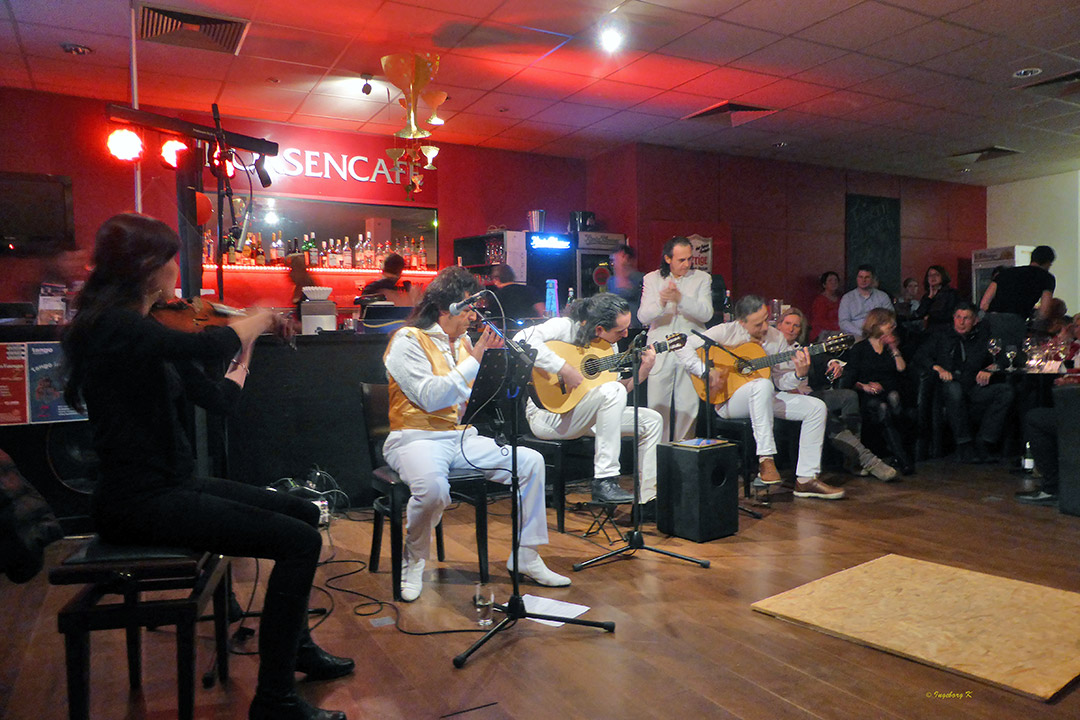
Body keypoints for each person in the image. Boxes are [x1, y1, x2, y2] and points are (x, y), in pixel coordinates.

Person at [61, 214, 351, 720]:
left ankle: (297, 651)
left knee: (303, 516)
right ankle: (276, 700)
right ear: (149, 268)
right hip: (137, 502)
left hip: (170, 486)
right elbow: (205, 344)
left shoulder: (146, 332)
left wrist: (251, 344)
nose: (177, 270)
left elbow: (217, 398)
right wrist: (256, 317)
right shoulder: (115, 327)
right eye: (172, 258)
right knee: (299, 543)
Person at [382, 266, 568, 602]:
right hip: (415, 437)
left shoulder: (465, 341)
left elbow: (471, 397)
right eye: (467, 308)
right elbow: (431, 396)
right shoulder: (407, 340)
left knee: (530, 462)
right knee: (434, 488)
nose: (472, 316)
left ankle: (525, 555)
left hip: (459, 436)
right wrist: (477, 358)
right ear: (444, 309)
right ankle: (414, 558)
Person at [676, 294, 843, 500]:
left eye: (766, 319)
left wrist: (799, 373)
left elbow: (782, 382)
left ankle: (806, 479)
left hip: (763, 397)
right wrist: (705, 371)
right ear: (741, 322)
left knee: (816, 407)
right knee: (763, 385)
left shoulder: (776, 337)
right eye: (758, 323)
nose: (765, 327)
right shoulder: (726, 331)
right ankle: (766, 458)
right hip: (728, 401)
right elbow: (682, 346)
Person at [515, 294, 662, 519]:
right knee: (612, 392)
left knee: (652, 420)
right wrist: (563, 368)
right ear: (600, 328)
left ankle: (646, 503)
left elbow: (613, 395)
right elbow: (520, 339)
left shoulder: (608, 348)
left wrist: (642, 372)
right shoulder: (564, 327)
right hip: (548, 416)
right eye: (620, 331)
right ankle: (605, 479)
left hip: (583, 415)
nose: (626, 335)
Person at [776, 309, 898, 481]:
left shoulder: (800, 348)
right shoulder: (769, 349)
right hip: (789, 400)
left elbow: (820, 357)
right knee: (826, 416)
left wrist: (832, 362)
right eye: (787, 324)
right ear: (778, 325)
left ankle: (850, 459)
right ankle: (868, 461)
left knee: (849, 396)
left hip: (810, 394)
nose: (791, 329)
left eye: (796, 325)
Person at [914, 302, 1015, 464]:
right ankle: (964, 444)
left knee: (1005, 391)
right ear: (953, 318)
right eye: (958, 317)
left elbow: (1005, 357)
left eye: (966, 318)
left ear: (975, 321)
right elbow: (920, 356)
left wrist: (991, 368)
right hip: (948, 385)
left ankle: (985, 440)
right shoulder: (941, 336)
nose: (961, 322)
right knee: (954, 390)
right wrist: (938, 368)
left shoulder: (983, 336)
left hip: (974, 386)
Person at [638, 236, 712, 442]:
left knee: (688, 407)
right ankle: (656, 458)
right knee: (656, 405)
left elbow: (706, 314)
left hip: (690, 347)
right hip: (660, 349)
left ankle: (683, 457)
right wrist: (662, 302)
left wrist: (681, 299)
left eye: (689, 259)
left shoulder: (701, 279)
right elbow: (643, 317)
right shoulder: (651, 279)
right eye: (681, 260)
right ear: (668, 259)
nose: (687, 264)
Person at [840, 308, 914, 474]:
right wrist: (865, 386)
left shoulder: (890, 347)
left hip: (888, 389)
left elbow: (901, 370)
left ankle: (897, 455)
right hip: (867, 392)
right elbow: (850, 377)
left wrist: (894, 349)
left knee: (894, 398)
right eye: (888, 323)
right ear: (877, 324)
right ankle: (902, 458)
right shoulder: (860, 348)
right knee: (883, 407)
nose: (892, 326)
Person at [980, 245, 1056, 349]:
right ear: (1048, 262)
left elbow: (984, 304)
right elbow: (1044, 312)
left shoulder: (1005, 273)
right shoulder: (1047, 278)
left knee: (991, 356)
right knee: (1012, 358)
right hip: (1014, 323)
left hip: (989, 321)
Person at [838, 264, 893, 340]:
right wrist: (862, 333)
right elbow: (843, 322)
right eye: (860, 277)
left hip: (879, 335)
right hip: (855, 335)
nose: (863, 280)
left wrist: (878, 333)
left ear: (873, 279)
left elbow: (890, 318)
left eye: (867, 277)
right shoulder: (847, 298)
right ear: (857, 278)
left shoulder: (883, 296)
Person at [911, 265, 959, 333]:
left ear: (942, 276)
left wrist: (931, 315)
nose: (933, 277)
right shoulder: (926, 296)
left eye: (936, 274)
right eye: (930, 275)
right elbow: (920, 313)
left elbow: (950, 314)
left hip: (947, 330)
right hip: (931, 331)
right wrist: (929, 298)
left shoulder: (951, 293)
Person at [608, 244, 644, 330]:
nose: (615, 261)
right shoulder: (611, 281)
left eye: (618, 257)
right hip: (616, 327)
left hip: (636, 325)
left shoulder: (640, 278)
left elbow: (629, 290)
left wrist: (621, 269)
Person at [809, 271, 842, 340]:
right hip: (823, 332)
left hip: (838, 330)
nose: (833, 283)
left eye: (835, 280)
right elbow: (820, 321)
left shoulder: (841, 299)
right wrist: (838, 327)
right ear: (824, 284)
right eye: (830, 280)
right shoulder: (820, 300)